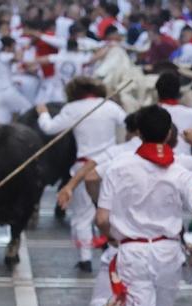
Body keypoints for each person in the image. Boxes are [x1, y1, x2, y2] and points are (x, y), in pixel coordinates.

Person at [91, 105, 192, 306]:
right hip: (169, 251)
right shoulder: (182, 172)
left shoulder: (119, 166)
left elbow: (101, 218)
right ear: (170, 133)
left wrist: (110, 236)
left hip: (132, 250)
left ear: (138, 132)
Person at [37, 78, 126, 272]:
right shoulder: (110, 106)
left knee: (82, 215)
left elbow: (49, 128)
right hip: (111, 164)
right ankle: (116, 254)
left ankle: (85, 258)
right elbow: (129, 123)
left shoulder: (72, 108)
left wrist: (43, 113)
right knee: (113, 210)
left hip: (84, 167)